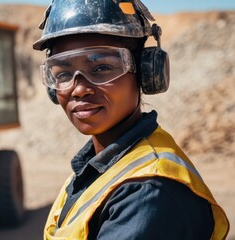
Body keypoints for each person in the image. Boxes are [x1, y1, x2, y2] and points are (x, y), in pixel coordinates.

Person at [32, 0, 230, 239]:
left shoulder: (149, 192)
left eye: (102, 67)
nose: (79, 89)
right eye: (62, 74)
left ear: (147, 72)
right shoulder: (98, 167)